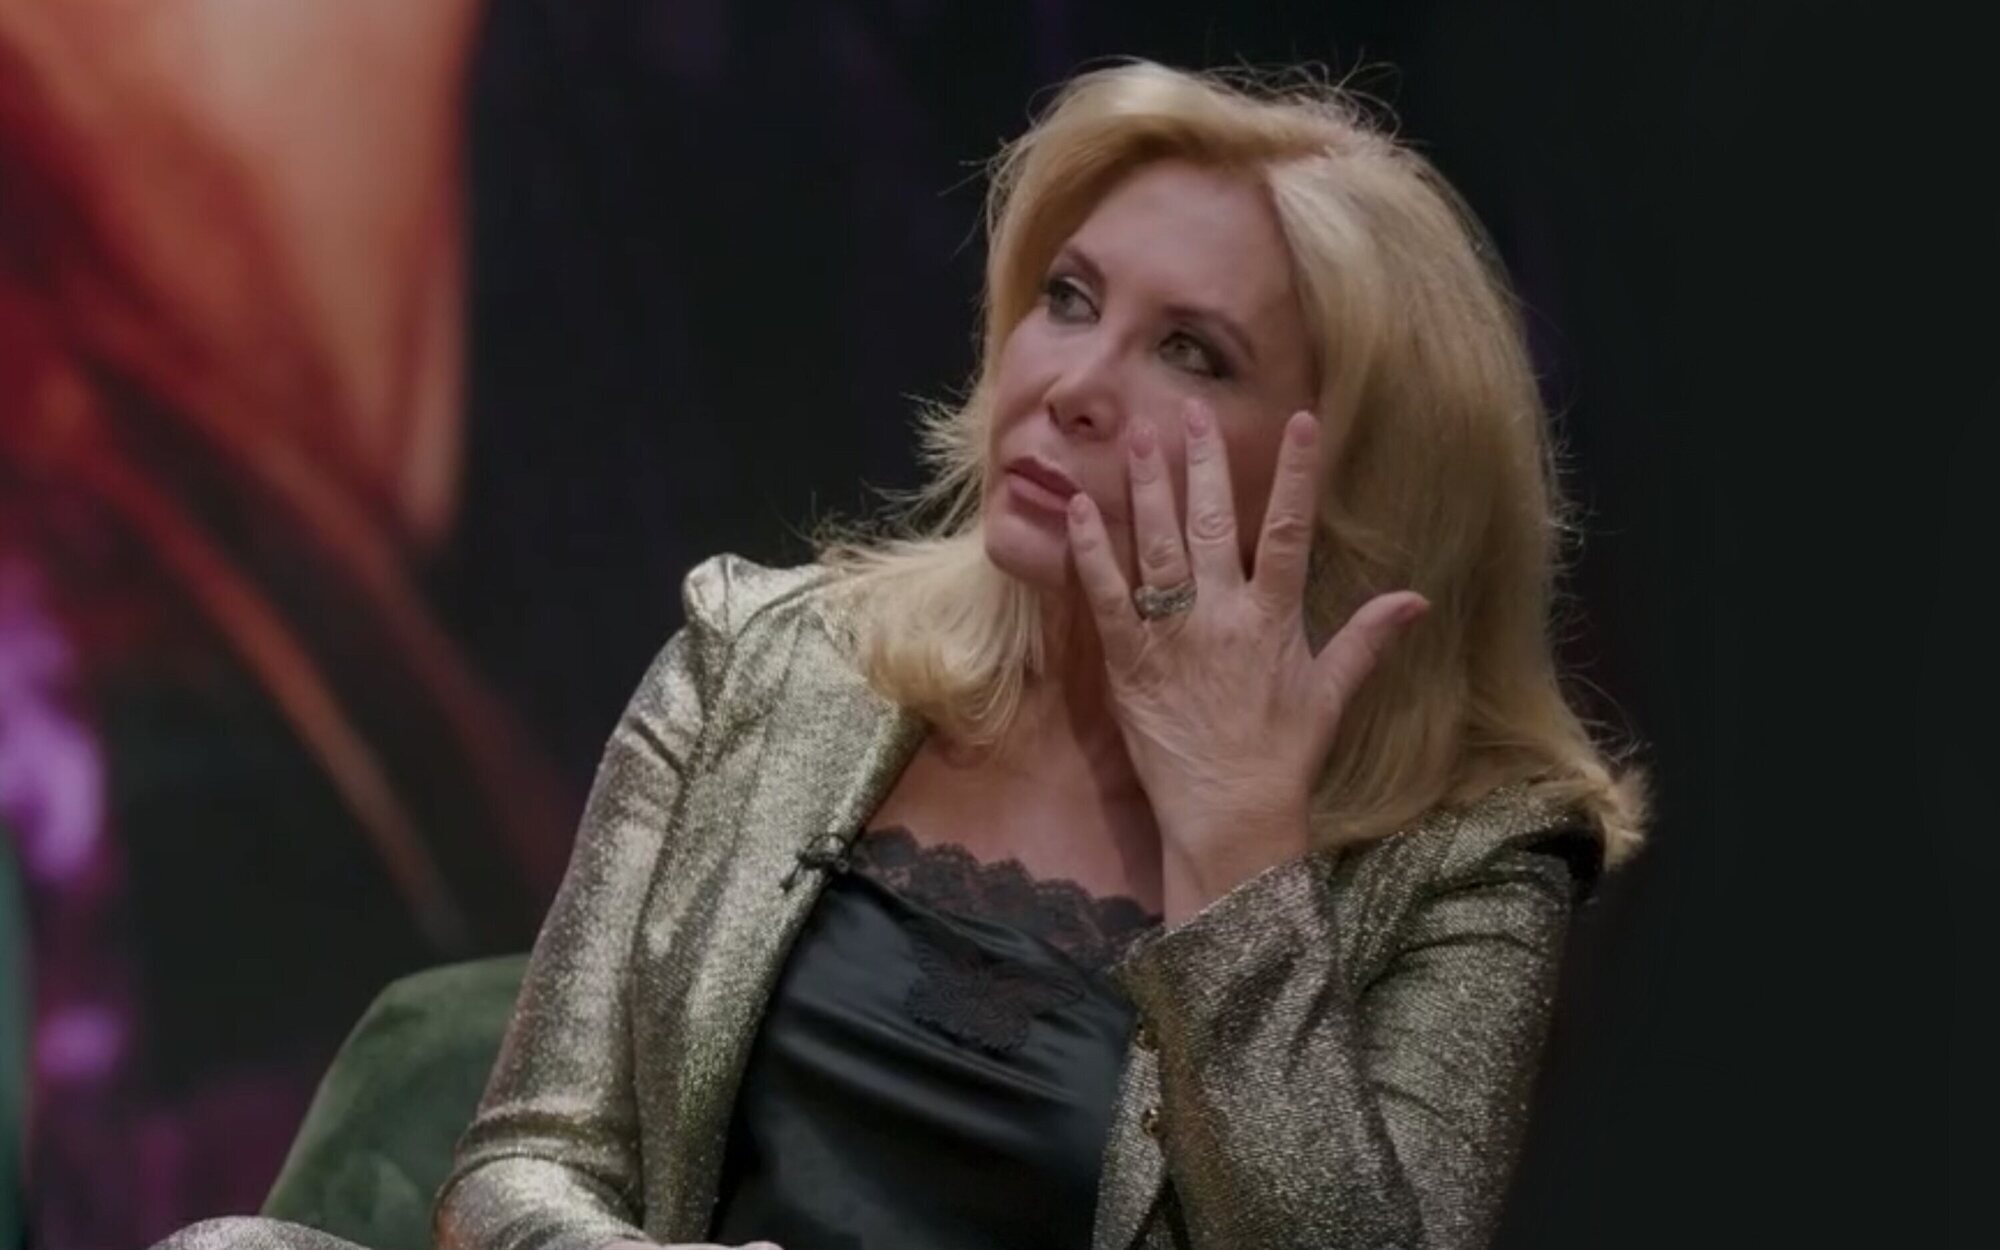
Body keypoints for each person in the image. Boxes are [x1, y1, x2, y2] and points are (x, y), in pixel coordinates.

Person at [155, 58, 1650, 1250]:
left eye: (1192, 351)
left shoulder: (1469, 860)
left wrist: (1243, 854)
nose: (1071, 383)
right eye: (1069, 300)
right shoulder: (764, 659)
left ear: (1363, 476)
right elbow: (530, 1160)